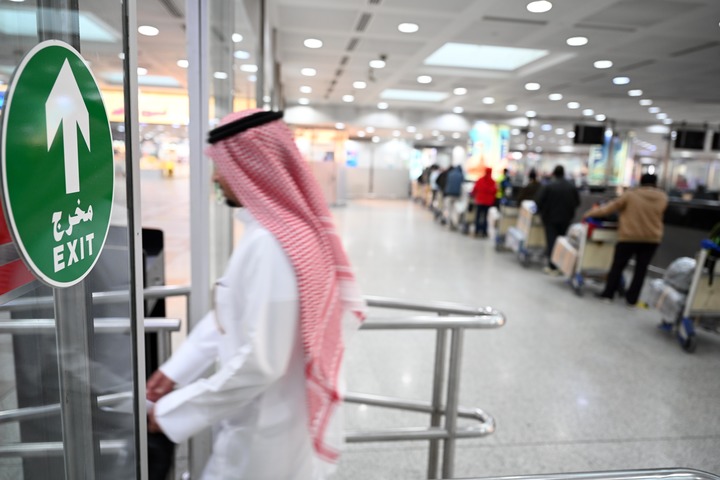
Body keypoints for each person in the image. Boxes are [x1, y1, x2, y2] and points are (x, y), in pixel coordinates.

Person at [145, 109, 366, 479]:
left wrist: (173, 413)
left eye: (222, 167)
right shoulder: (274, 233)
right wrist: (176, 369)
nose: (216, 177)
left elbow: (261, 362)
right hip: (266, 417)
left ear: (251, 169)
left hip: (266, 428)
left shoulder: (271, 244)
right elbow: (231, 316)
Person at [582, 173, 668, 306]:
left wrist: (589, 214)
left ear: (641, 182)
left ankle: (608, 294)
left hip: (629, 236)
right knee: (641, 270)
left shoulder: (631, 195)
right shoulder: (662, 197)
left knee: (618, 266)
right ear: (656, 183)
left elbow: (609, 209)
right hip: (652, 239)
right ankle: (632, 299)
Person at [535, 165, 580, 275]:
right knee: (563, 242)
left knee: (552, 242)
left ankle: (552, 266)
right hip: (566, 219)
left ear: (554, 173)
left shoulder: (549, 186)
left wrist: (541, 212)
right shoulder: (571, 186)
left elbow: (539, 201)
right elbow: (577, 202)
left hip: (550, 219)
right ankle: (562, 265)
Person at [471, 167, 497, 238]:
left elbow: (475, 188)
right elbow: (494, 191)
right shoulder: (492, 182)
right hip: (488, 203)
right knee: (485, 217)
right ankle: (484, 232)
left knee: (478, 216)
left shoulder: (480, 180)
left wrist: (473, 194)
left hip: (479, 201)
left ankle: (477, 231)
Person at [443, 164, 464, 229]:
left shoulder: (450, 174)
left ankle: (449, 223)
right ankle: (455, 223)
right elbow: (462, 184)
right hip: (456, 195)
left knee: (449, 209)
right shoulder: (461, 175)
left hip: (448, 194)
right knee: (455, 210)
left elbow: (447, 183)